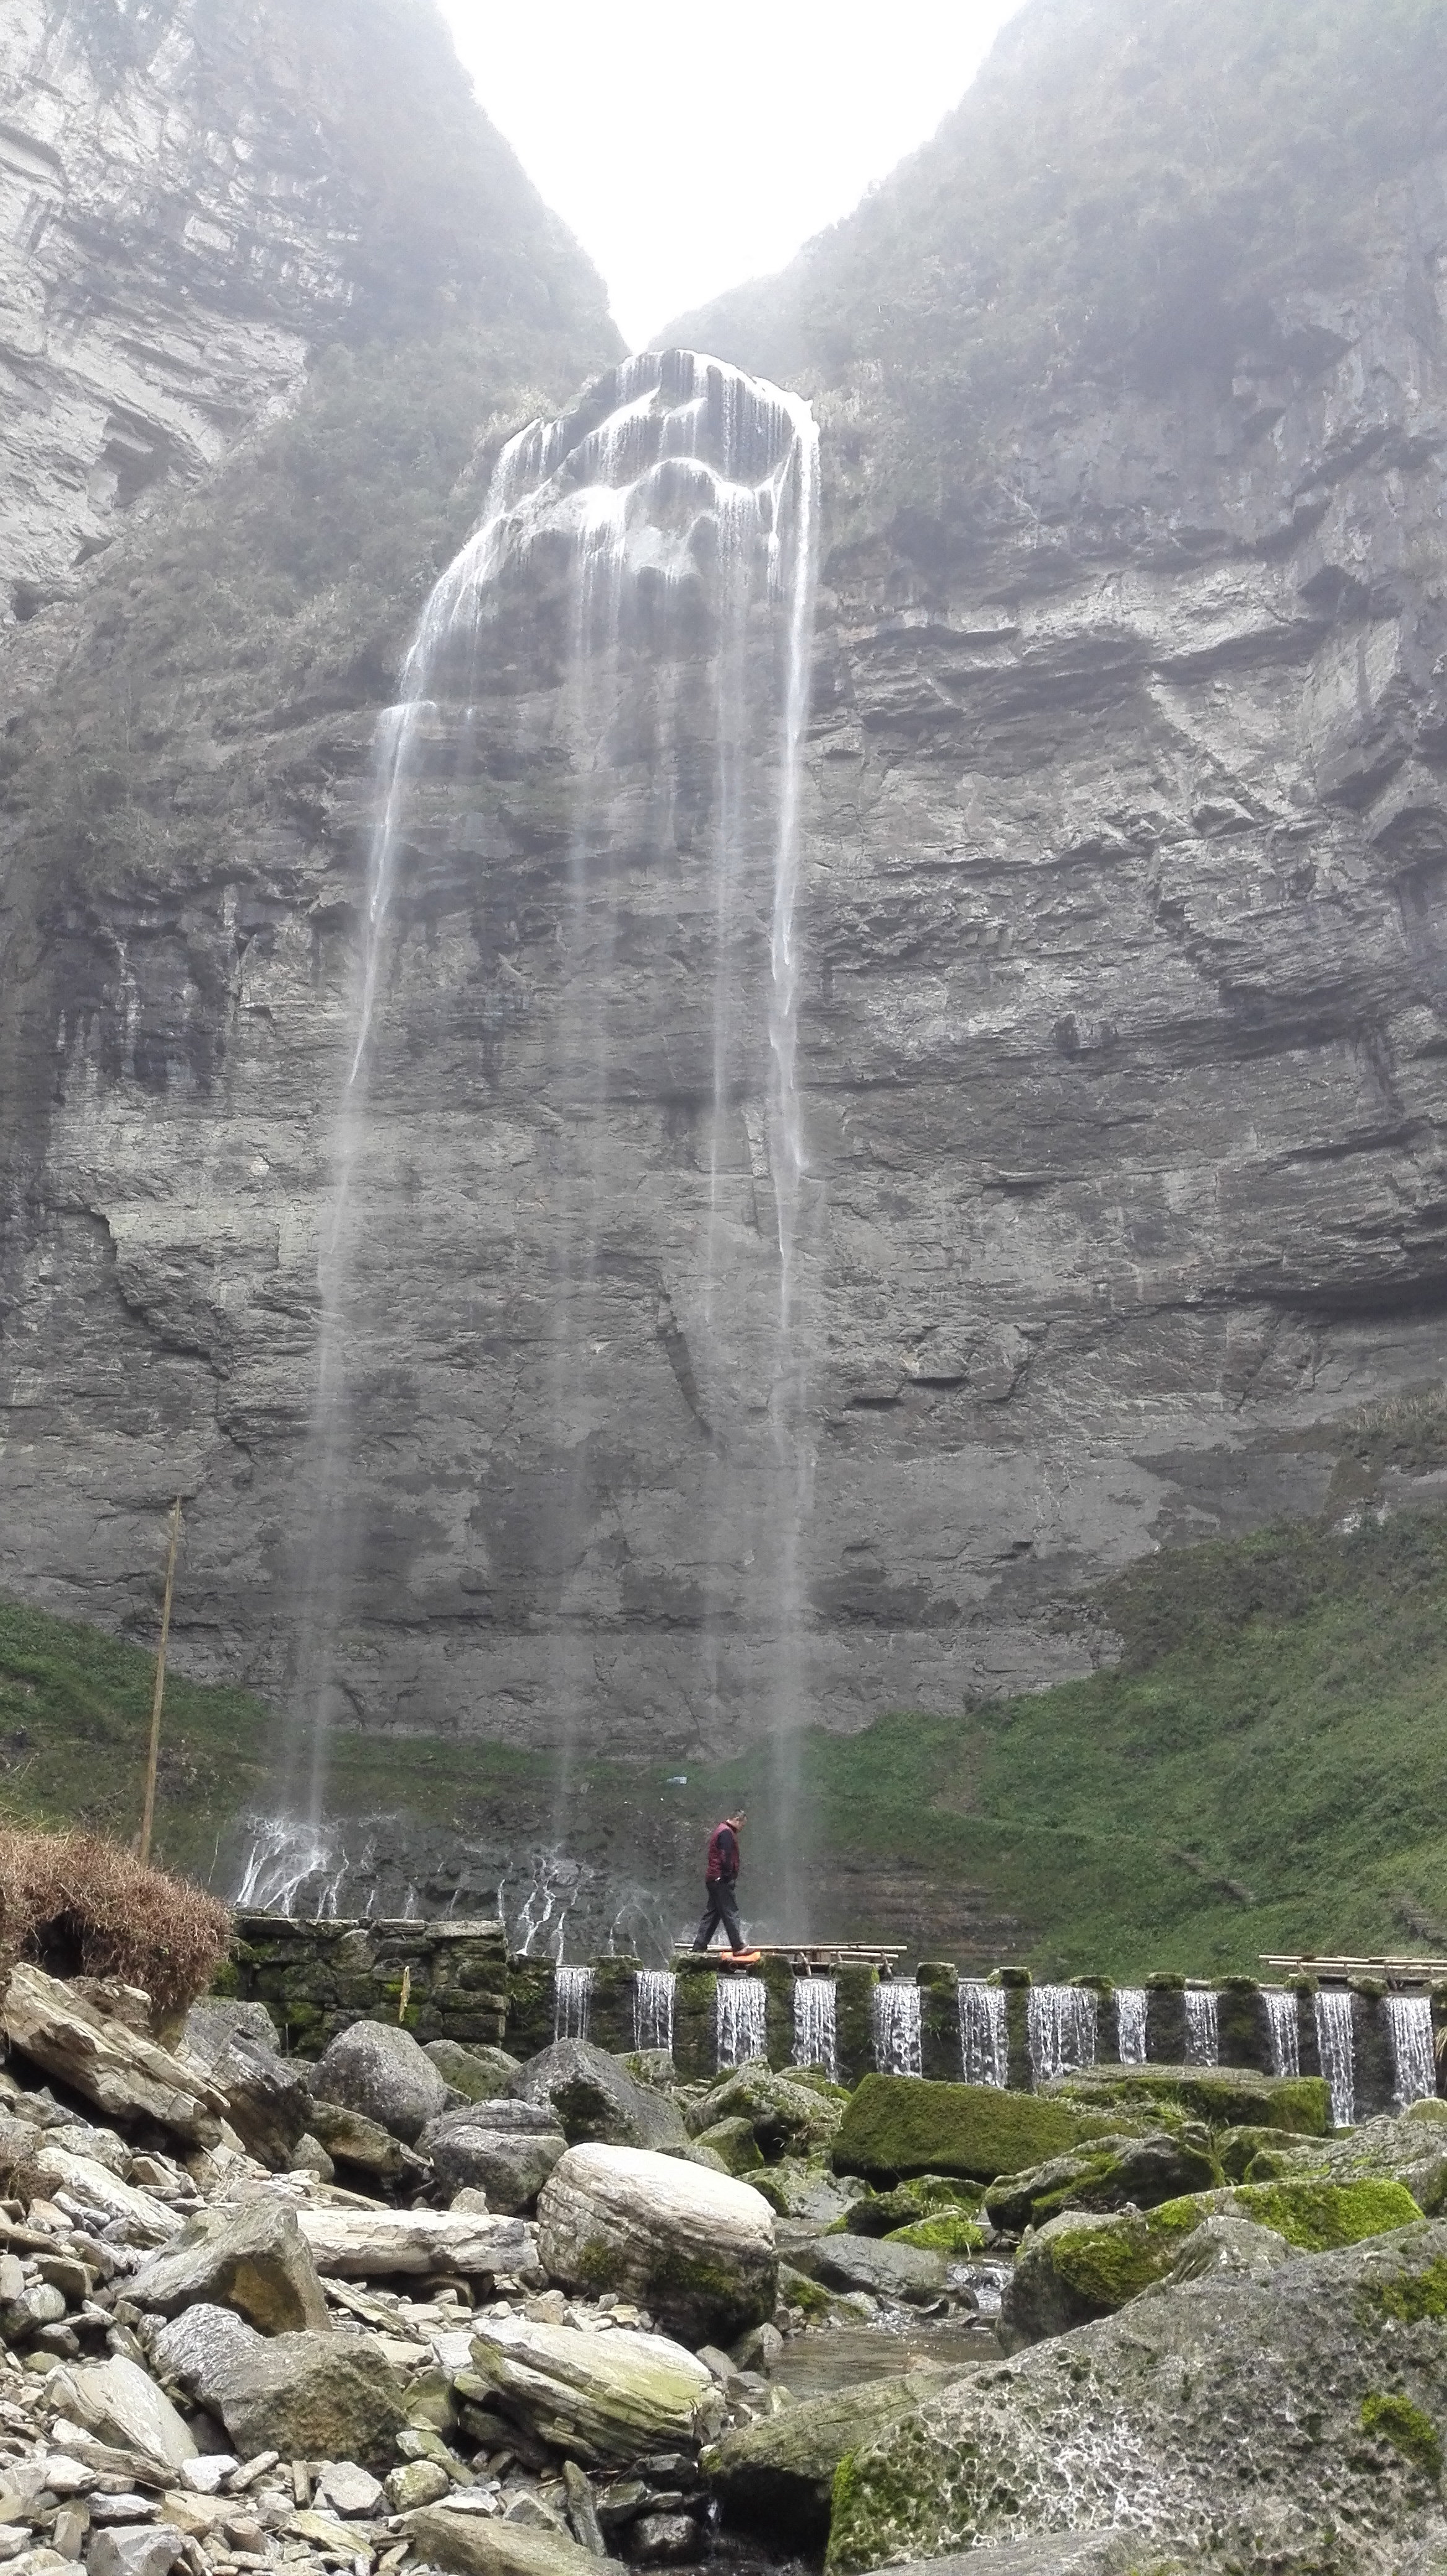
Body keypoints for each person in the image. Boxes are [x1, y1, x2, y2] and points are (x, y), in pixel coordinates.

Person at [693, 1811, 748, 1954]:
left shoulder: (721, 1830)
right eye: (742, 1824)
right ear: (737, 1820)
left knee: (712, 1915)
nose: (742, 1828)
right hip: (721, 1879)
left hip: (713, 1879)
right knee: (730, 1911)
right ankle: (738, 1947)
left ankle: (699, 1947)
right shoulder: (726, 1833)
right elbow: (726, 1856)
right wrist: (729, 1876)